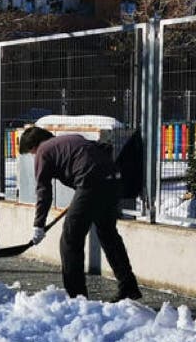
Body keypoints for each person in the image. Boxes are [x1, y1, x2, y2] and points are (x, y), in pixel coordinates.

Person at [18, 125, 141, 302]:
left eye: (31, 152)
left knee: (70, 240)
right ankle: (128, 286)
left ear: (34, 146)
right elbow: (102, 149)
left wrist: (38, 224)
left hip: (91, 183)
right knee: (108, 235)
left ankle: (76, 298)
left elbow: (43, 191)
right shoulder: (71, 139)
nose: (33, 156)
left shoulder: (44, 150)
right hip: (113, 180)